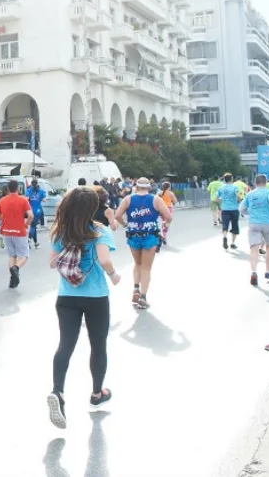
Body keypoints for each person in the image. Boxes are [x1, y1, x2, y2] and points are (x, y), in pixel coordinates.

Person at [46, 187, 120, 429]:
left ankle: (58, 391)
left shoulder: (62, 231)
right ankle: (97, 393)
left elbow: (51, 263)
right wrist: (113, 275)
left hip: (66, 296)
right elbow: (104, 259)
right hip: (96, 296)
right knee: (98, 345)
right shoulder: (100, 231)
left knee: (65, 344)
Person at [114, 178, 171, 310]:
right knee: (146, 267)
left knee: (137, 263)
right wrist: (165, 226)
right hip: (150, 236)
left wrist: (125, 224)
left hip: (133, 236)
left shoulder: (128, 199)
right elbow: (168, 216)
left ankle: (136, 288)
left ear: (136, 187)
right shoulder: (156, 199)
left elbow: (117, 215)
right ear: (149, 187)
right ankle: (143, 298)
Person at [241, 175, 269, 286]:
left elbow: (242, 209)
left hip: (254, 223)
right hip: (268, 223)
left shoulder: (250, 194)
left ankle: (254, 271)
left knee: (254, 249)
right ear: (266, 182)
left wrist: (250, 213)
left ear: (255, 183)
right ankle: (268, 271)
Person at [0, 180, 33, 288]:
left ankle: (13, 279)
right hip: (19, 231)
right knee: (24, 255)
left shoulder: (2, 200)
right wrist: (26, 224)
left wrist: (6, 217)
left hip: (6, 231)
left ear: (7, 188)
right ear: (18, 189)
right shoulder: (23, 200)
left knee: (12, 255)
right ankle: (16, 268)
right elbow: (31, 215)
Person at [217, 173, 242, 250]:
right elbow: (238, 196)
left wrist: (221, 204)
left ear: (224, 179)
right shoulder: (235, 187)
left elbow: (217, 199)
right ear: (231, 179)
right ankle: (232, 243)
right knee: (234, 226)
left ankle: (224, 237)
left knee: (225, 225)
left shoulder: (221, 188)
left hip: (224, 209)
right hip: (234, 209)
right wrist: (238, 201)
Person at [26, 179, 47, 249]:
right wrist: (40, 199)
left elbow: (26, 199)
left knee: (33, 226)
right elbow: (44, 199)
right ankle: (29, 241)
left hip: (30, 211)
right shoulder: (40, 191)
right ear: (37, 183)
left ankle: (35, 243)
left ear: (31, 184)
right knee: (33, 226)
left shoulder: (29, 190)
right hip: (38, 211)